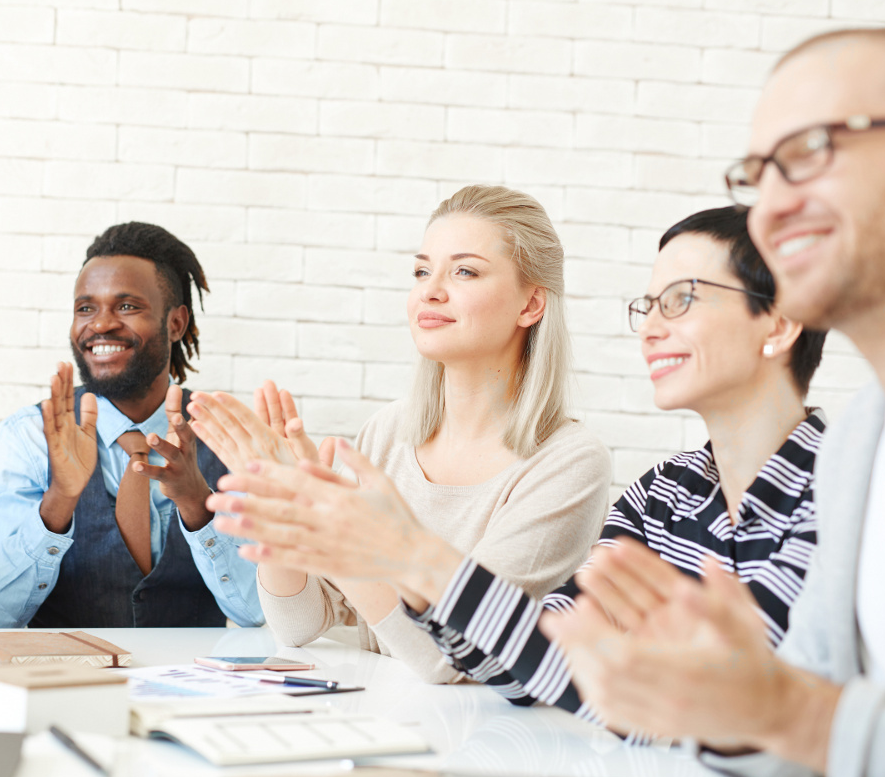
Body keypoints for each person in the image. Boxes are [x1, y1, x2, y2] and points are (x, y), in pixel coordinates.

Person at [217, 27, 885, 777]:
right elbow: (556, 661)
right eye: (760, 171)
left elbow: (784, 709)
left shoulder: (822, 464)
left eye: (817, 148)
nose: (775, 206)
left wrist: (402, 557)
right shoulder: (815, 459)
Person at [205, 205, 828, 730]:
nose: (650, 329)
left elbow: (761, 698)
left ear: (777, 322)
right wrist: (307, 529)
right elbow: (538, 661)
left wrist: (395, 552)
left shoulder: (846, 485)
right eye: (650, 305)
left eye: (682, 300)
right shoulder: (662, 495)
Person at [189, 185, 612, 682]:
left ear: (531, 304)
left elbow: (452, 661)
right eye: (421, 271)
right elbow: (296, 624)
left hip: (486, 740)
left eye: (465, 271)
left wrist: (336, 534)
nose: (430, 290)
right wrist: (288, 519)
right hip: (385, 723)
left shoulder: (569, 463)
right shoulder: (389, 433)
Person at [0, 222, 261, 628]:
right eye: (85, 308)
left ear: (175, 323)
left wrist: (197, 502)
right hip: (65, 683)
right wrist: (59, 500)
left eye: (127, 306)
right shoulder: (29, 436)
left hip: (192, 685)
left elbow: (257, 612)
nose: (101, 324)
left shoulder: (229, 436)